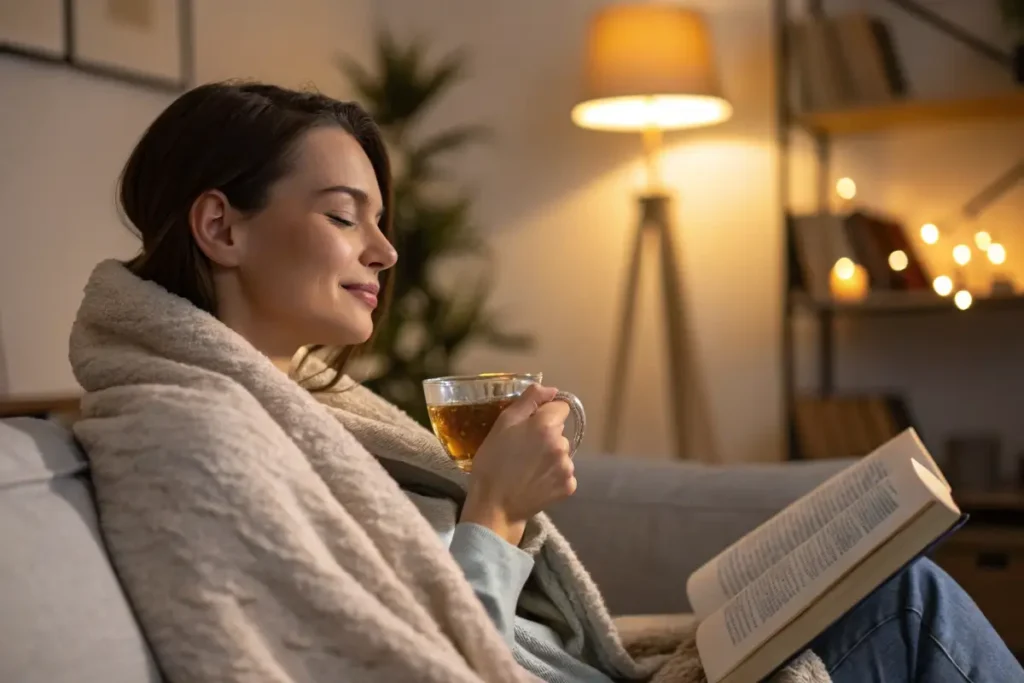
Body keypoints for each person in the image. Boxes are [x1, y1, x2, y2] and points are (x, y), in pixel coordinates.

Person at [68, 81, 1023, 683]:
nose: (386, 248)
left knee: (891, 585)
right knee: (912, 606)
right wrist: (493, 508)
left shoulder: (302, 408)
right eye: (343, 215)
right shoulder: (190, 436)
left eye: (379, 218)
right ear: (220, 228)